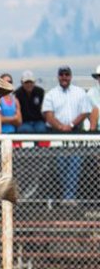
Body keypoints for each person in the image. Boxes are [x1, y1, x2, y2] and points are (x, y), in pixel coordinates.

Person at [42, 65, 94, 200]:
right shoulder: (51, 94)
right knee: (59, 166)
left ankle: (69, 197)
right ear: (58, 76)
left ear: (70, 76)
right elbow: (48, 115)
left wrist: (70, 125)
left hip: (75, 135)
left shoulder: (80, 92)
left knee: (75, 165)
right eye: (62, 75)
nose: (64, 77)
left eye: (67, 75)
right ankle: (60, 197)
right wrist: (60, 126)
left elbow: (85, 111)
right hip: (57, 135)